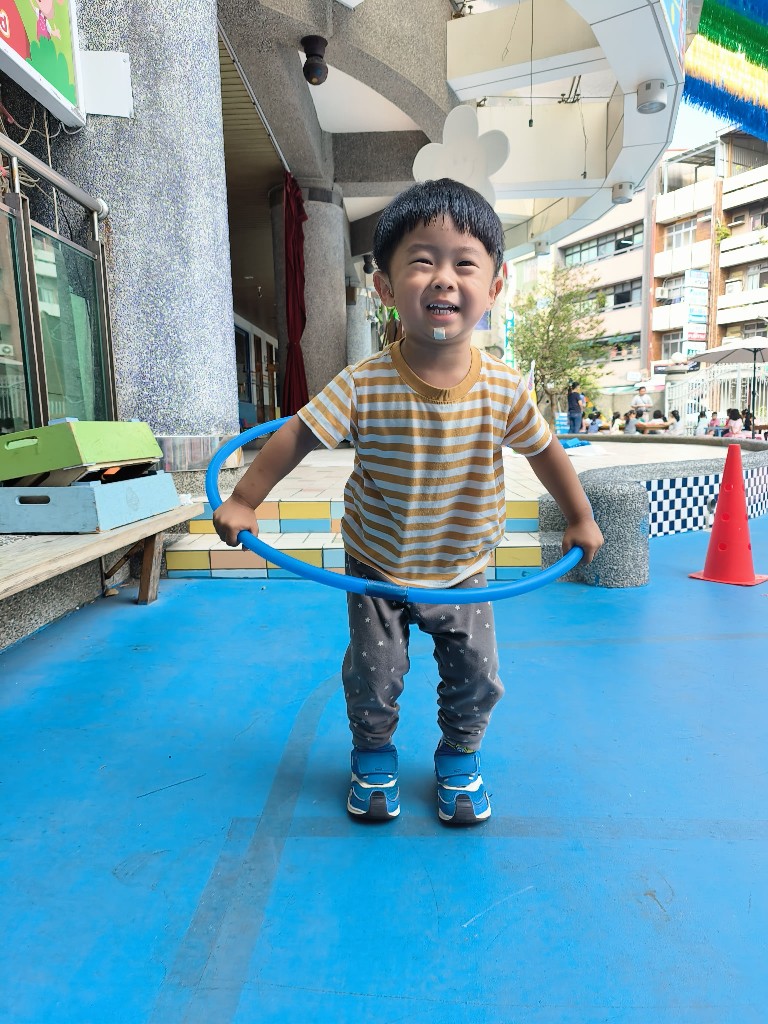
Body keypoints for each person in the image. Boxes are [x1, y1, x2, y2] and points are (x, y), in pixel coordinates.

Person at [213, 178, 604, 827]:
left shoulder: (505, 389)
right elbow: (297, 436)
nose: (443, 278)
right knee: (376, 674)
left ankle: (459, 757)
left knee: (478, 675)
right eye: (422, 261)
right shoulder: (363, 383)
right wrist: (244, 499)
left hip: (462, 566)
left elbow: (546, 453)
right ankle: (373, 755)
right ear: (386, 288)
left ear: (495, 286)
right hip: (377, 563)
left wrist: (580, 517)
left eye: (464, 263)